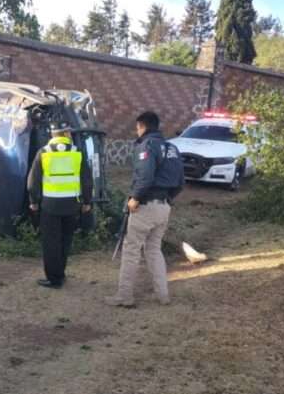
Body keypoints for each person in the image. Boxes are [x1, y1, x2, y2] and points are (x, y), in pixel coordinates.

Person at [106, 111, 184, 308]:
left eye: (137, 127)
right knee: (154, 250)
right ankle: (163, 295)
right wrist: (166, 198)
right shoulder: (172, 147)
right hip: (164, 207)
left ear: (142, 126)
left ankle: (124, 296)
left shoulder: (147, 145)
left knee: (131, 251)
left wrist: (136, 197)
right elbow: (180, 182)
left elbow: (145, 176)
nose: (136, 131)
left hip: (145, 206)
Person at [27, 122, 93, 289]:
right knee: (65, 240)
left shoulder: (43, 152)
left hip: (50, 205)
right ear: (66, 134)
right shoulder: (77, 152)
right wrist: (86, 202)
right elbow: (86, 180)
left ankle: (53, 278)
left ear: (53, 135)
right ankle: (60, 274)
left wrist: (34, 202)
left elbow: (33, 181)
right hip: (72, 205)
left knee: (51, 242)